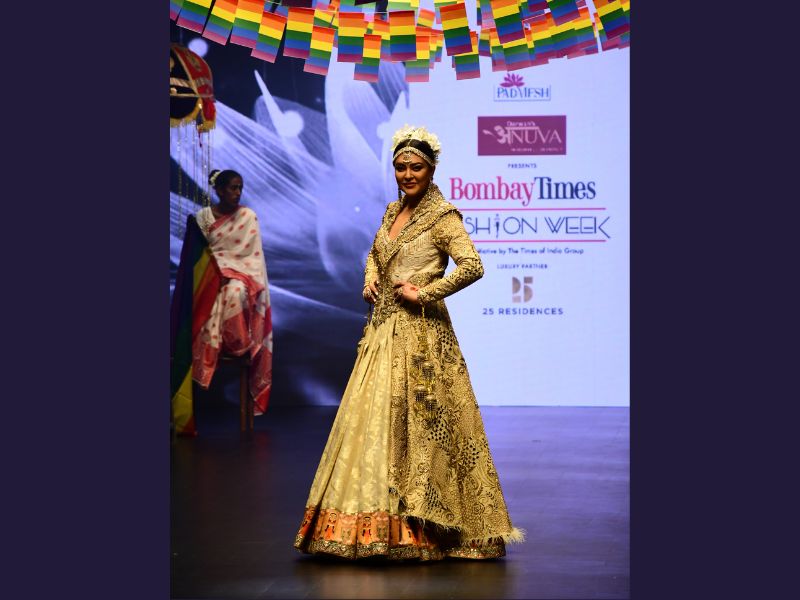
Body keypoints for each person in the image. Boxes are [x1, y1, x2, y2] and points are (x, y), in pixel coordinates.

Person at [293, 126, 523, 560]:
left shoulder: (443, 217)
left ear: (431, 169)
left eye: (416, 167)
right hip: (382, 334)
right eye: (400, 167)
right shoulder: (391, 211)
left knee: (421, 428)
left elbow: (473, 265)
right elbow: (375, 254)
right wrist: (370, 278)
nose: (407, 174)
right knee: (375, 424)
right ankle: (373, 528)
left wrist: (426, 292)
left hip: (421, 338)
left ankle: (430, 529)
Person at [192, 169, 273, 415]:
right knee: (211, 294)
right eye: (232, 188)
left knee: (234, 293)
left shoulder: (247, 217)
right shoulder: (203, 217)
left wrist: (231, 273)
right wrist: (214, 274)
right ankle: (208, 351)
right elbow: (198, 256)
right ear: (218, 190)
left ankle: (237, 344)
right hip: (210, 277)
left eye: (240, 188)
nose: (237, 193)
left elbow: (252, 260)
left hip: (241, 279)